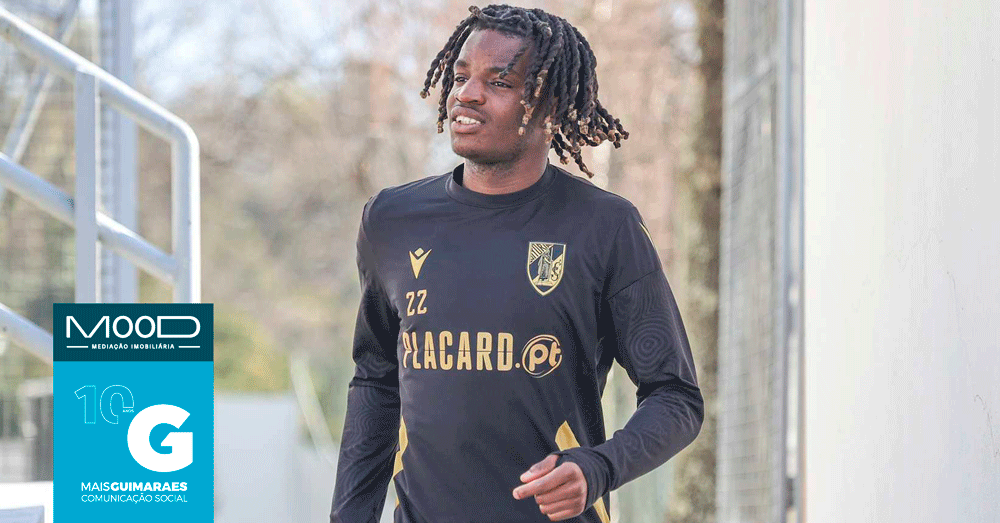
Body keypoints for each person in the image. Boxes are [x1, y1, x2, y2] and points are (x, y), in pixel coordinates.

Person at [331, 5, 704, 522]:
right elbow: (376, 381)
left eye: (499, 82)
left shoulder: (604, 227)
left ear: (551, 106)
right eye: (460, 77)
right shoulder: (392, 220)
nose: (466, 94)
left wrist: (599, 467)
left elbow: (676, 397)